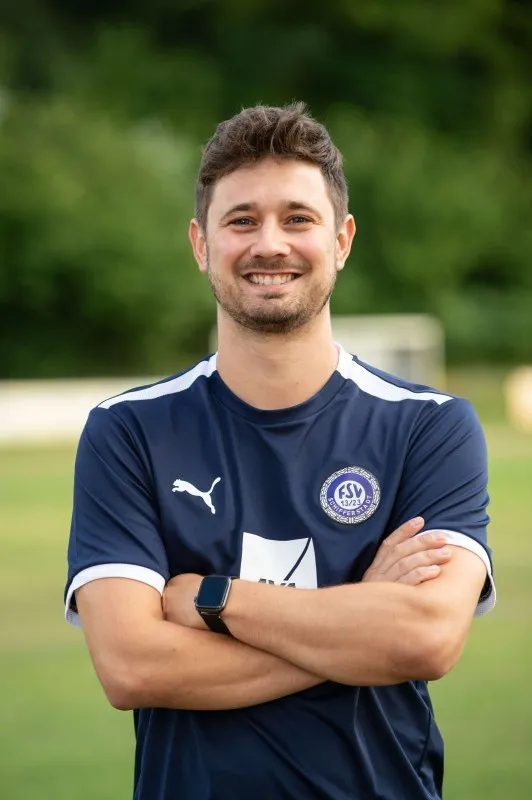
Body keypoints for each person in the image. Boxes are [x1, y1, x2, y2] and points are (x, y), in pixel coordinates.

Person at [64, 102, 495, 800]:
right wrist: (363, 621)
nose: (270, 244)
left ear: (342, 240)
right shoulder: (127, 431)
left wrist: (214, 599)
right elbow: (133, 667)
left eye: (298, 218)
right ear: (201, 244)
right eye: (242, 221)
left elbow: (427, 642)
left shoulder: (431, 426)